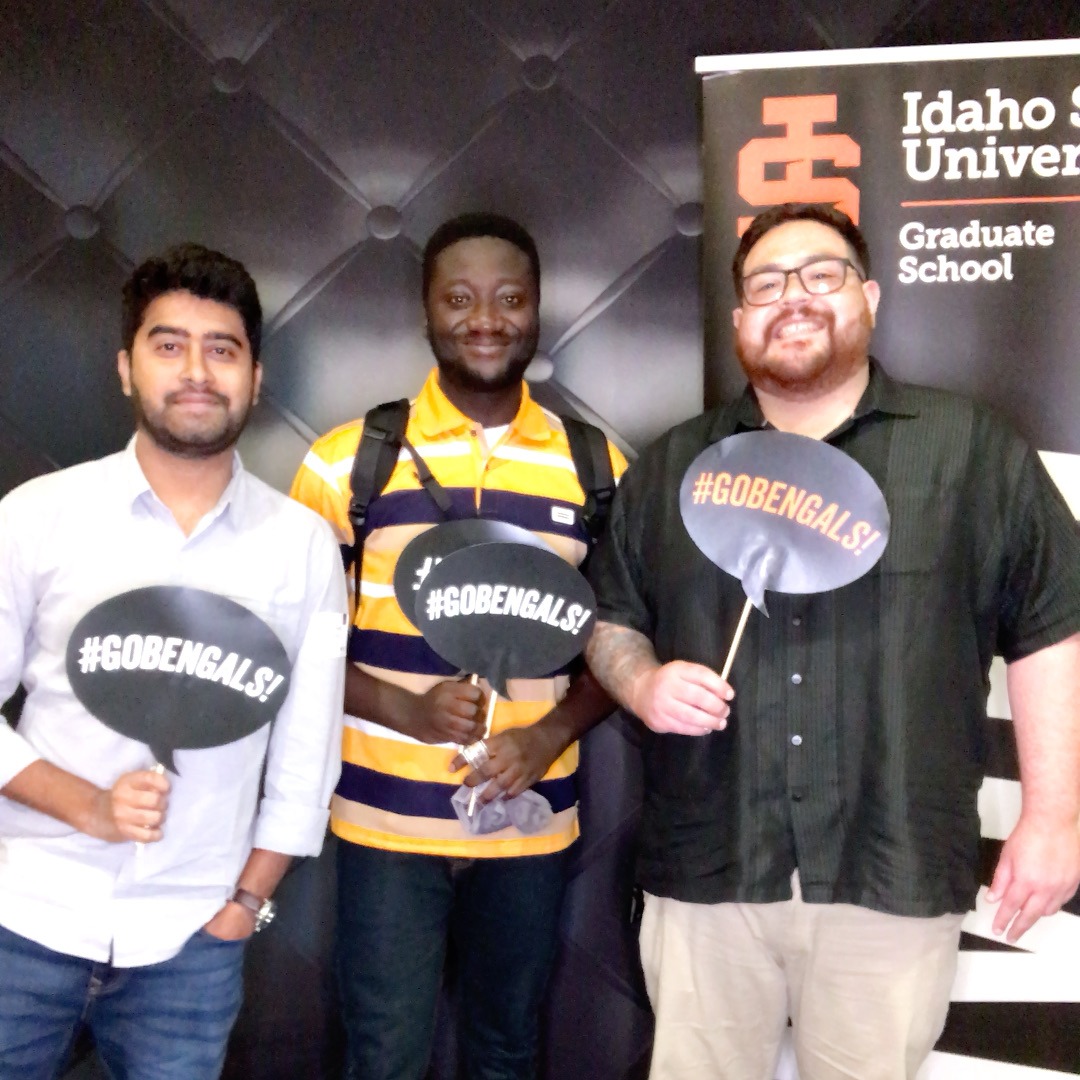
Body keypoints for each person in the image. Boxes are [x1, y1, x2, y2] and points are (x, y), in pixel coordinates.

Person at [584, 203, 1080, 1080]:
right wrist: (641, 683)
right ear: (739, 318)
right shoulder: (670, 468)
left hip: (889, 868)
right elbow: (611, 620)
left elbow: (1052, 627)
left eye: (823, 275)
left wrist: (1053, 819)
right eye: (766, 285)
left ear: (871, 298)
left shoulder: (972, 452)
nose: (794, 299)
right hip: (709, 872)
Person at [291, 212, 627, 1080]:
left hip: (531, 830)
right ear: (427, 311)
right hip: (383, 827)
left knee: (506, 1052)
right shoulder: (347, 465)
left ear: (539, 310)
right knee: (384, 1056)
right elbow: (299, 646)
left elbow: (624, 644)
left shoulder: (598, 469)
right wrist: (403, 707)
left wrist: (549, 735)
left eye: (511, 298)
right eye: (461, 298)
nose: (487, 318)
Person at [0, 244, 348, 1080]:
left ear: (255, 377)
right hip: (27, 919)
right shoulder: (37, 516)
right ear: (126, 367)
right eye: (168, 345)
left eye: (222, 349)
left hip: (192, 942)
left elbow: (307, 755)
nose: (197, 370)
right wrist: (85, 805)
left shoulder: (301, 546)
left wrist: (244, 904)